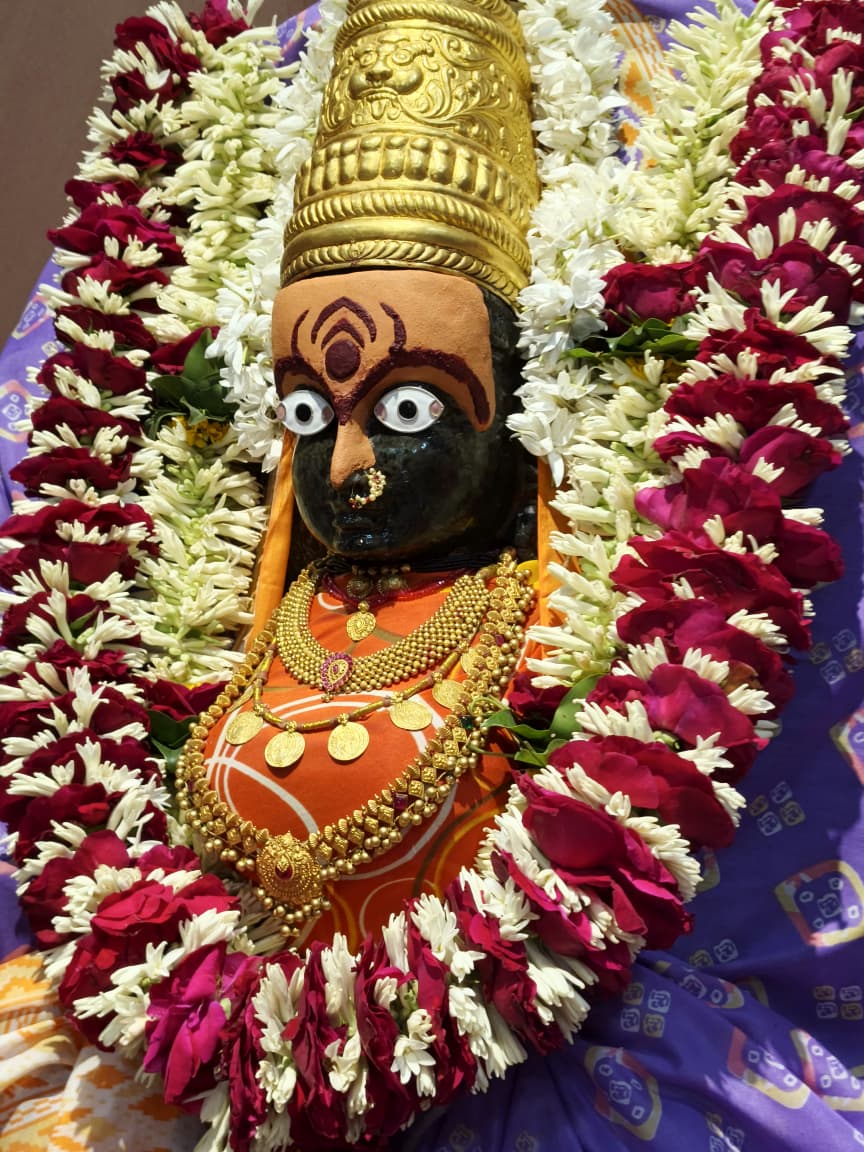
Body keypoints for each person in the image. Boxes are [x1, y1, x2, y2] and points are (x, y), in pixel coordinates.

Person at [1, 0, 863, 1150]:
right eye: (309, 412)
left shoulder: (542, 623)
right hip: (188, 1064)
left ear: (518, 397)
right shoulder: (251, 606)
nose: (345, 464)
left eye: (408, 407)